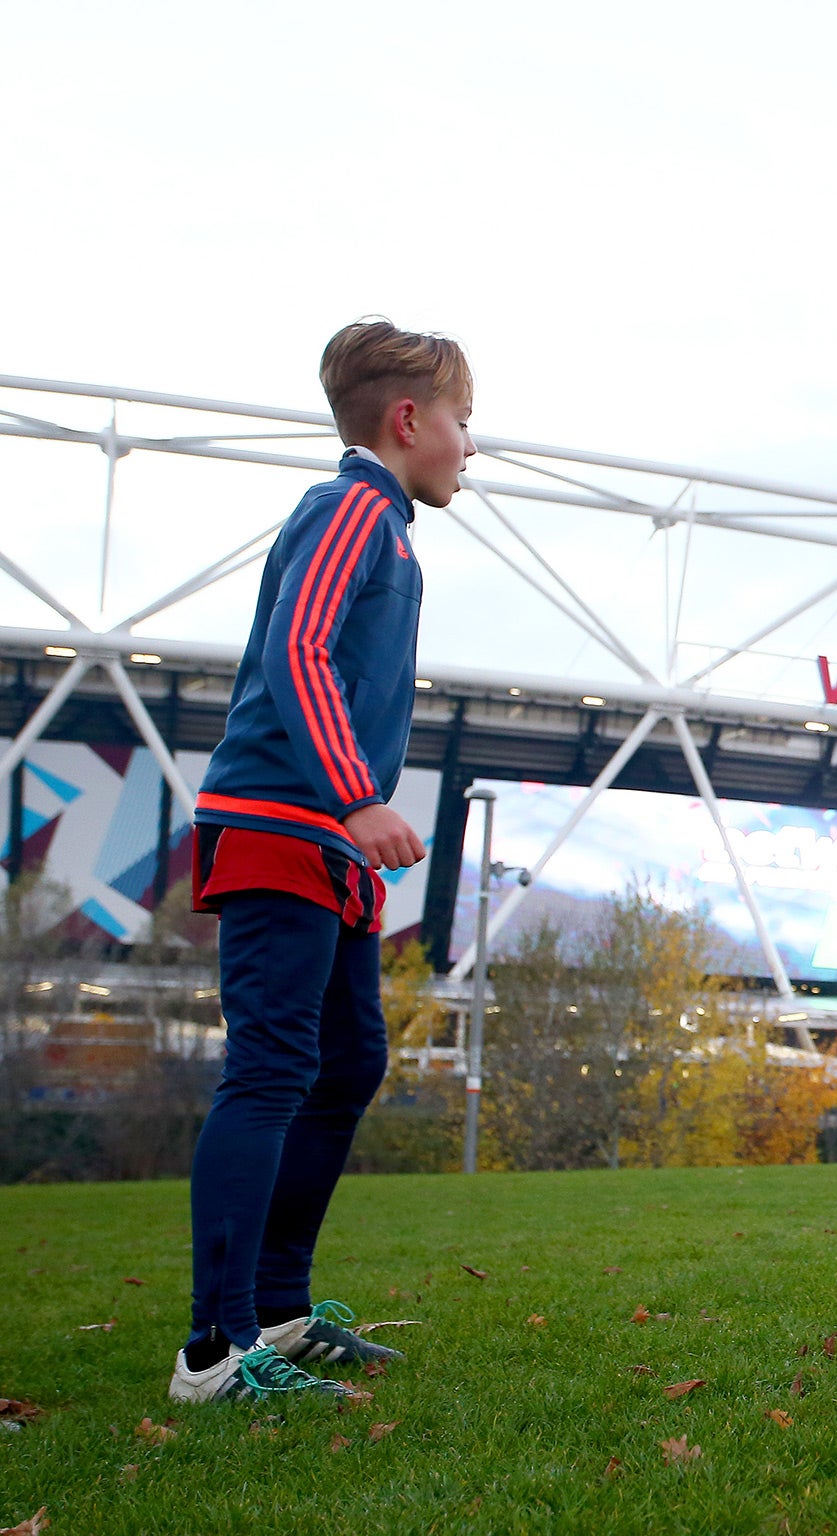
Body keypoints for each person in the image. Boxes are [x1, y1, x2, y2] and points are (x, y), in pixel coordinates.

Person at [170, 320, 475, 1402]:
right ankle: (212, 1352)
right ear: (408, 421)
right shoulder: (350, 508)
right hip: (282, 825)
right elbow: (298, 645)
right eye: (461, 421)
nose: (469, 446)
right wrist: (356, 797)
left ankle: (282, 1312)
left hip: (319, 839)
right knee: (270, 1072)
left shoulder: (387, 527)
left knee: (346, 1065)